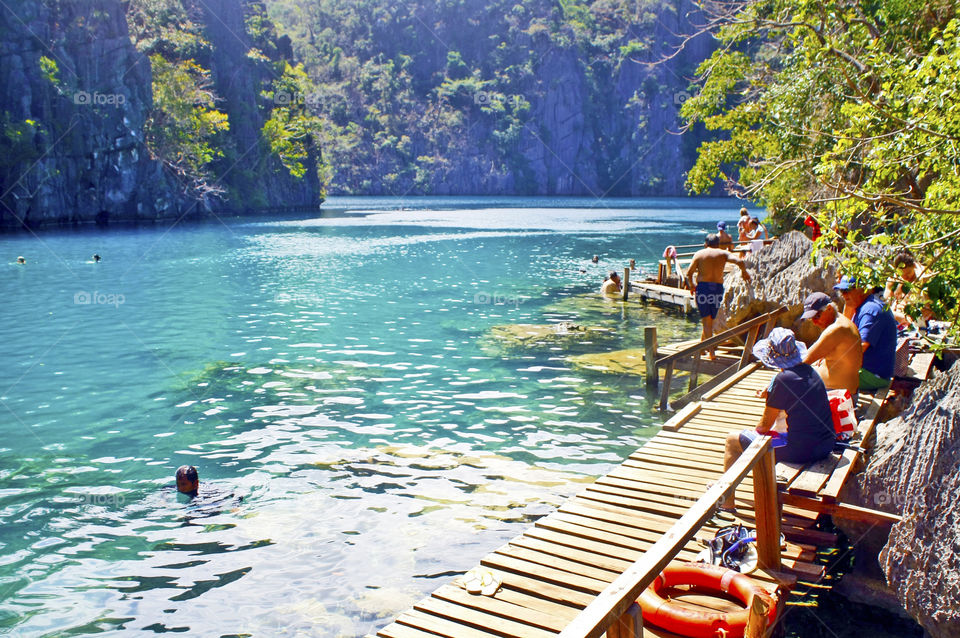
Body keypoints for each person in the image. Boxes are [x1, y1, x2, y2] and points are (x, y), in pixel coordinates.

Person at [722, 328, 836, 509]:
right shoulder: (811, 371)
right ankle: (727, 486)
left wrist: (770, 401)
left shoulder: (782, 380)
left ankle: (726, 501)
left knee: (733, 440)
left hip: (802, 450)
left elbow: (763, 428)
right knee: (759, 439)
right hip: (826, 444)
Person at [685, 234, 751, 359]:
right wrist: (744, 272)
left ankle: (711, 352)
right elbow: (740, 261)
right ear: (718, 244)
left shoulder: (699, 254)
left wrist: (692, 285)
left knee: (706, 320)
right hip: (717, 289)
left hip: (703, 288)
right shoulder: (723, 253)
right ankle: (701, 347)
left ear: (705, 244)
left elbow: (689, 273)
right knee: (710, 320)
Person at [834, 276, 897, 390]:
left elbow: (861, 346)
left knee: (824, 376)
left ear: (862, 289)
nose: (844, 295)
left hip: (874, 376)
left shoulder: (870, 310)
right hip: (870, 370)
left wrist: (832, 358)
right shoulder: (865, 305)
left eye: (847, 291)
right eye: (842, 291)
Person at [799, 292, 862, 398]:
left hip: (836, 397)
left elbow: (802, 362)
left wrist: (774, 385)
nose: (815, 322)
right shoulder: (842, 321)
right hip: (840, 392)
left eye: (817, 316)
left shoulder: (836, 329)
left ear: (829, 308)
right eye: (811, 318)